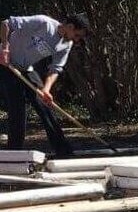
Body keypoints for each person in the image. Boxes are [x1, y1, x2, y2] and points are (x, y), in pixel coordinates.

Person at [0, 13, 89, 157]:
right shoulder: (44, 23)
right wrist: (5, 48)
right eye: (77, 35)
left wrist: (46, 90)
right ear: (70, 27)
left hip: (26, 68)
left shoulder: (66, 44)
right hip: (6, 64)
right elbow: (6, 23)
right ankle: (13, 154)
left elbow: (56, 69)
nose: (77, 39)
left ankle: (63, 152)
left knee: (44, 104)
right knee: (18, 108)